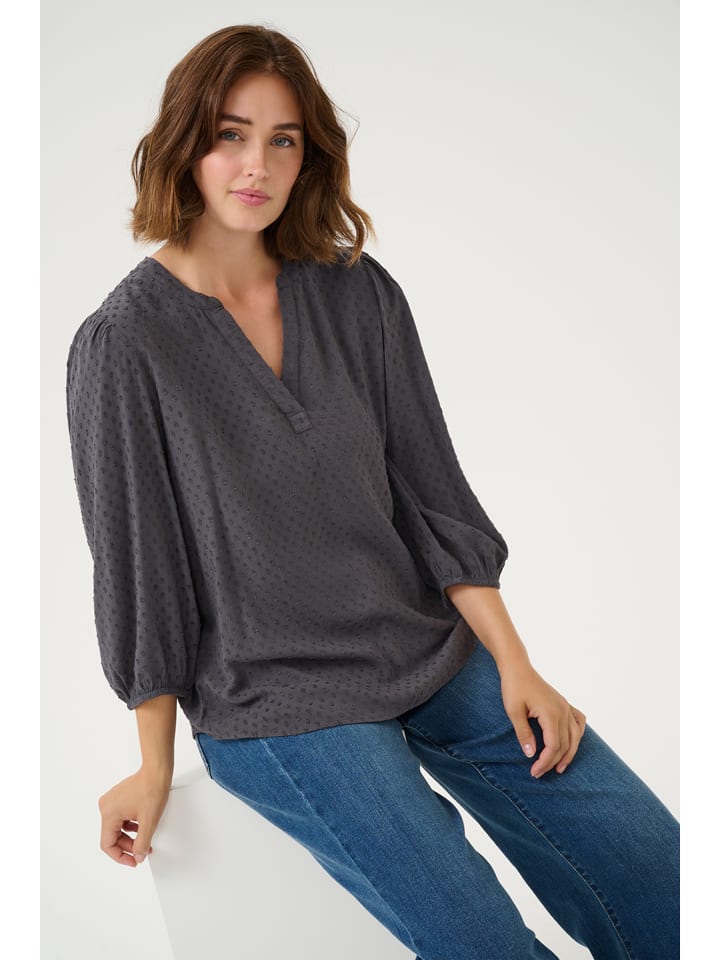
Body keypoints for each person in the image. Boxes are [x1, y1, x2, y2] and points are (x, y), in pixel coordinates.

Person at [65, 24, 679, 960]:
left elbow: (433, 494)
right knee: (481, 939)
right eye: (230, 134)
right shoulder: (124, 344)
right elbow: (138, 568)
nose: (257, 165)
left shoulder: (357, 294)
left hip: (424, 648)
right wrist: (154, 764)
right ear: (185, 143)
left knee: (660, 872)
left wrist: (517, 664)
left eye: (283, 139)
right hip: (272, 695)